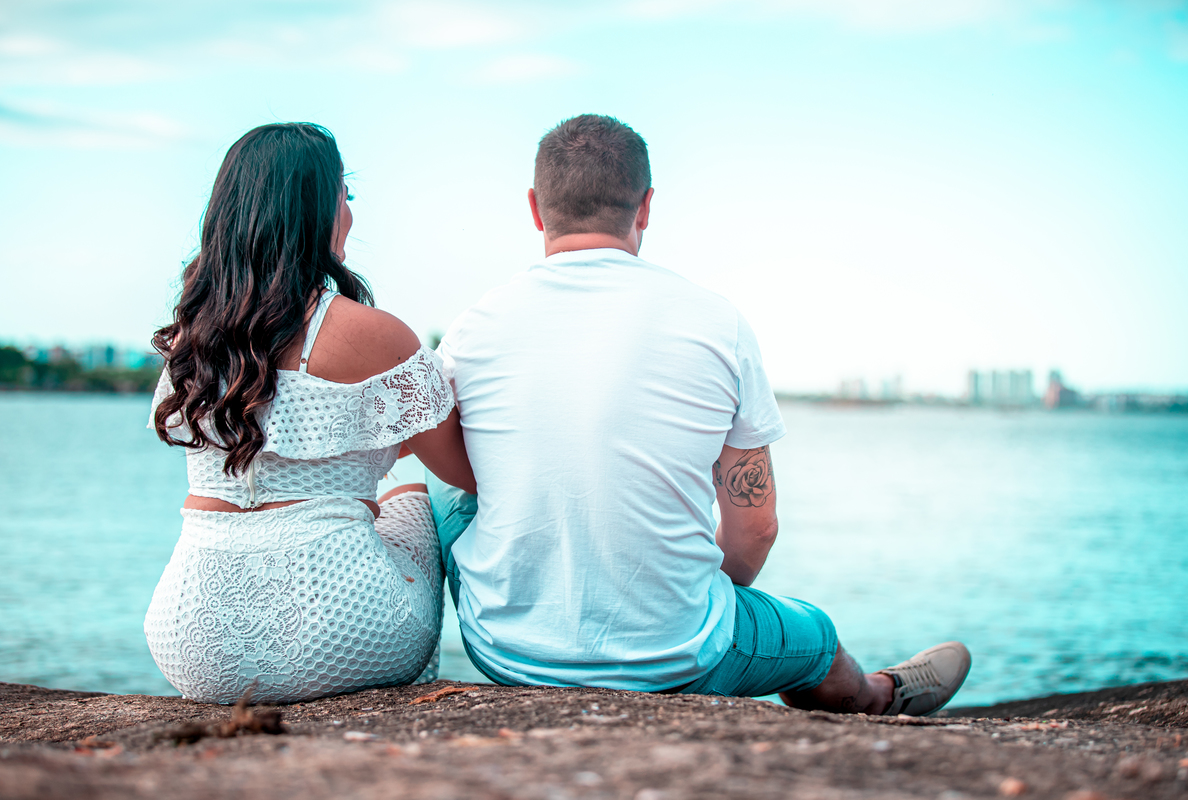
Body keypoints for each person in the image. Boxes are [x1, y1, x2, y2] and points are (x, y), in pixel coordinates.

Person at [429, 114, 970, 715]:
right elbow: (755, 527)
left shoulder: (472, 328)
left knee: (446, 489)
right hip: (680, 657)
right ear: (647, 206)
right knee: (814, 632)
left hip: (504, 654)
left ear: (535, 208)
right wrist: (693, 603)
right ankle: (877, 695)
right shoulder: (715, 322)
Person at [145, 122, 476, 705]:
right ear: (317, 209)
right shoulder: (377, 335)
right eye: (344, 196)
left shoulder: (187, 342)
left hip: (189, 642)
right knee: (416, 492)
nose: (350, 212)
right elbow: (464, 471)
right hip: (340, 631)